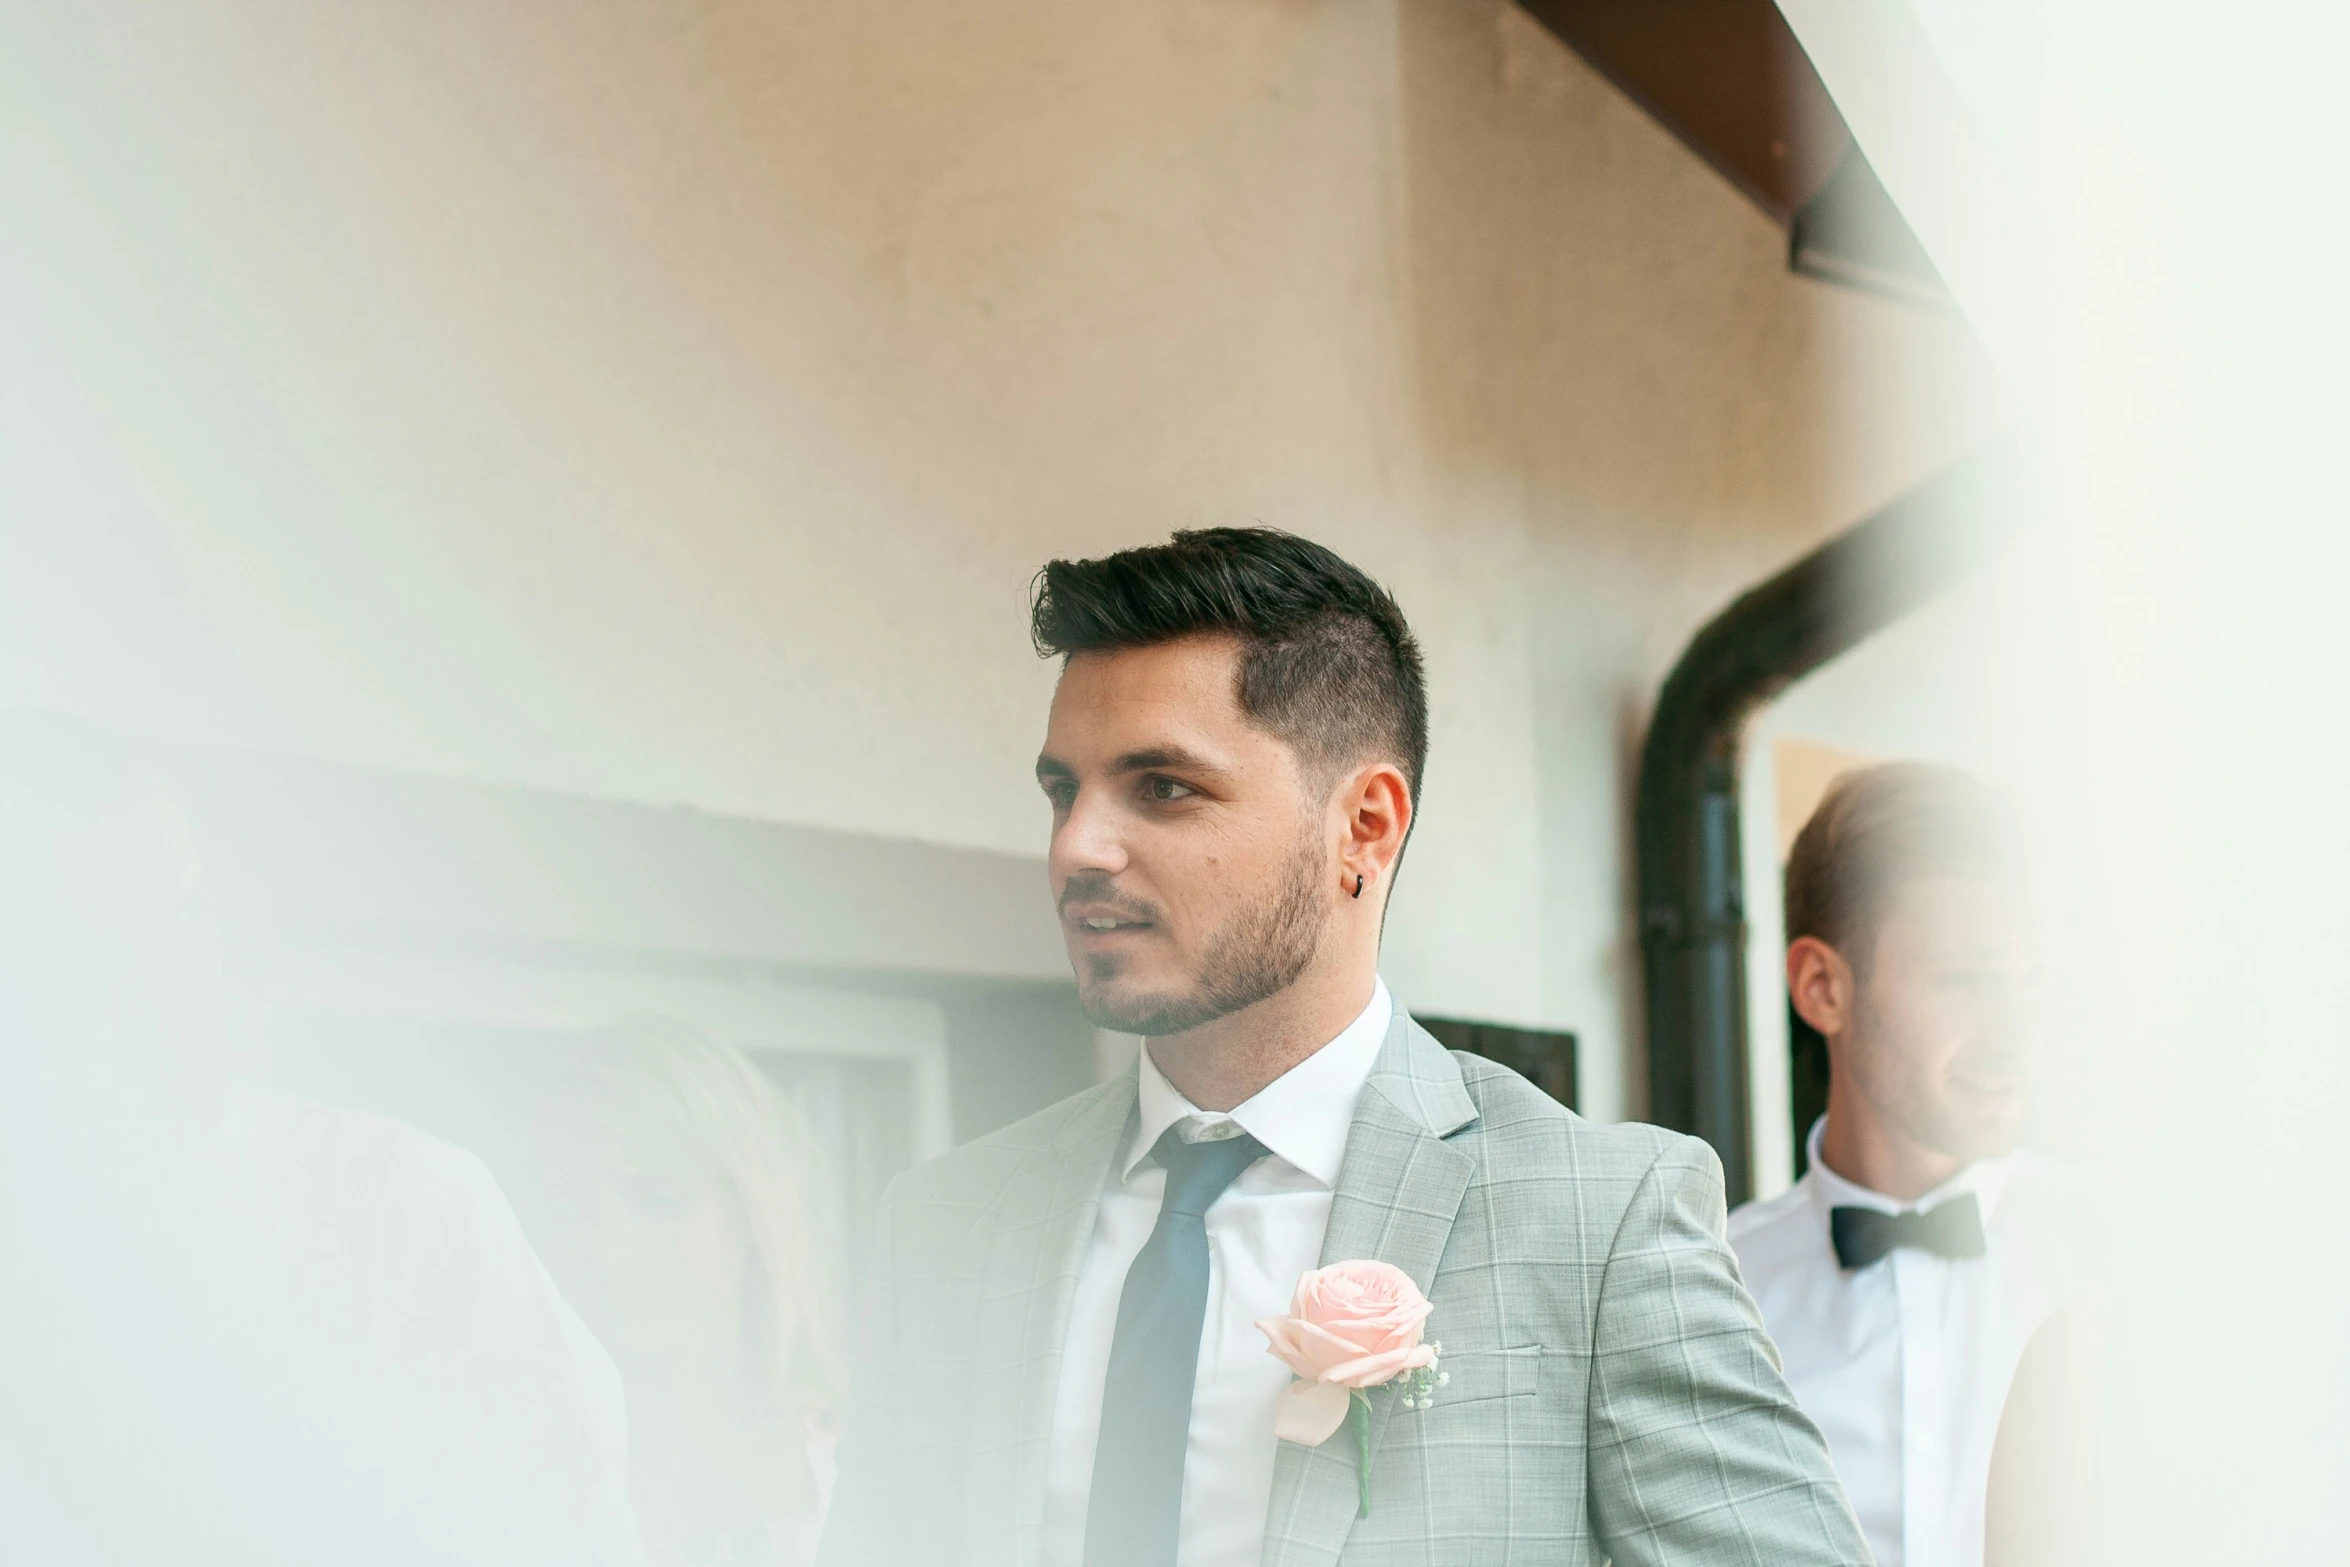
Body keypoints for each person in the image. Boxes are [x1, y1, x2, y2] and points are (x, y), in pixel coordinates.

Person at [819, 529, 1864, 1567]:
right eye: (1063, 791)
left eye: (1162, 787)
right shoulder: (947, 1226)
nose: (1076, 847)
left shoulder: (1598, 1223)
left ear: (1365, 826)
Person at [0, 713, 634, 1565]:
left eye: (186, 921)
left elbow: (570, 1529)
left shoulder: (409, 1210)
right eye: (106, 955)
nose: (168, 988)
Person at [1729, 763, 2084, 1567]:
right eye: (1967, 982)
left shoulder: (2126, 1259)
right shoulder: (1715, 1291)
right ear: (1822, 986)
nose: (2016, 1036)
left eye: (2030, 985)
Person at [528, 1019, 843, 1567]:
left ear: (750, 1210)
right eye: (571, 1207)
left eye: (660, 1198)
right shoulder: (511, 1463)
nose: (610, 1248)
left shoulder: (862, 1453)